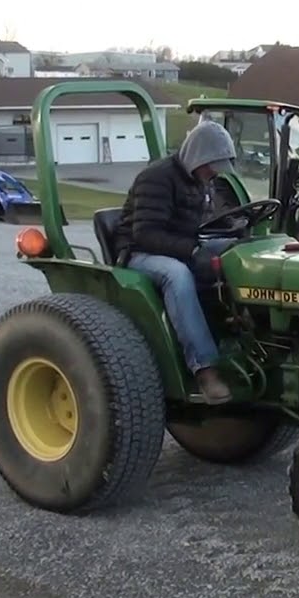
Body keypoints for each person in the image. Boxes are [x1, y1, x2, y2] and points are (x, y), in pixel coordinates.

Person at [111, 121, 238, 404]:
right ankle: (204, 367)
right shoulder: (155, 178)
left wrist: (234, 229)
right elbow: (145, 234)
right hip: (138, 252)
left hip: (180, 244)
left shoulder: (201, 180)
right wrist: (193, 251)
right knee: (178, 275)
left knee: (237, 252)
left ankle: (240, 341)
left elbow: (206, 219)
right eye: (211, 166)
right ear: (197, 156)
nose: (214, 173)